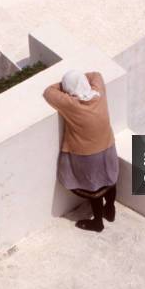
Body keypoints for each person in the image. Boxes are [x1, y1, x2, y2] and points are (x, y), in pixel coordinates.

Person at [43, 70, 119, 232]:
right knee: (109, 180)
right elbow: (97, 74)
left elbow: (48, 92)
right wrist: (81, 80)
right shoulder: (99, 93)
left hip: (87, 155)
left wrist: (63, 86)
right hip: (108, 146)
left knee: (94, 189)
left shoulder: (70, 104)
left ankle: (97, 222)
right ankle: (110, 210)